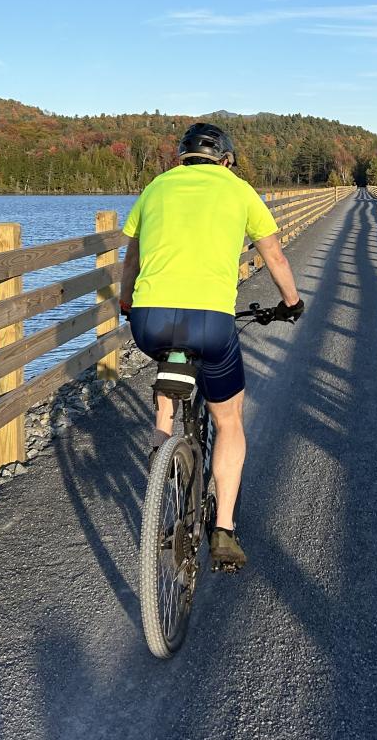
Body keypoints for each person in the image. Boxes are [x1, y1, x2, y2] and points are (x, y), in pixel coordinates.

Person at [120, 122, 305, 569]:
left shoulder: (154, 189)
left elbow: (132, 258)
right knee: (229, 419)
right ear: (225, 159)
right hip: (211, 324)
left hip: (150, 321)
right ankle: (223, 529)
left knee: (169, 363)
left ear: (182, 158)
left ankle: (161, 452)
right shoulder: (239, 191)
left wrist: (128, 303)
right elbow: (274, 256)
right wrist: (291, 302)